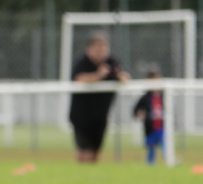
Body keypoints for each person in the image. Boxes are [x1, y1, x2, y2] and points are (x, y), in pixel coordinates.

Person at [70, 31, 129, 164]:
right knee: (85, 152)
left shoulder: (112, 62)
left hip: (101, 116)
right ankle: (81, 178)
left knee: (95, 153)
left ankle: (92, 180)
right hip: (81, 117)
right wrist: (98, 75)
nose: (100, 52)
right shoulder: (82, 62)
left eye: (103, 49)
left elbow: (125, 77)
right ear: (89, 49)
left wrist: (120, 76)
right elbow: (79, 78)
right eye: (97, 49)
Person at [133, 66, 166, 165]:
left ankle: (169, 161)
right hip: (150, 128)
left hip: (162, 127)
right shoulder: (145, 97)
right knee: (151, 148)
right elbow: (136, 110)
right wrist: (140, 115)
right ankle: (150, 164)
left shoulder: (164, 96)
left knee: (165, 145)